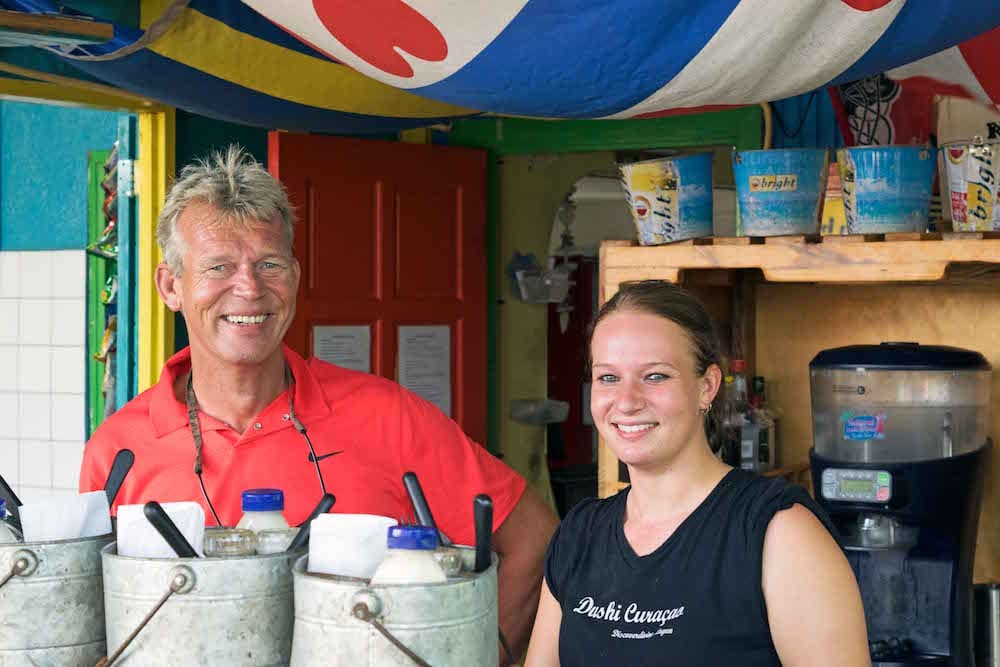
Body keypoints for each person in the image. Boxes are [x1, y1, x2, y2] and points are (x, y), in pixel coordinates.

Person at [80, 145, 557, 661]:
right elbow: (88, 625)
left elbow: (532, 540)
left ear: (296, 277)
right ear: (170, 286)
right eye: (218, 267)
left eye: (269, 264)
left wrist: (474, 654)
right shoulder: (119, 451)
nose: (249, 288)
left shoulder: (387, 417)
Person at [524, 280, 869, 666]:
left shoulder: (777, 533)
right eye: (608, 377)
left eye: (655, 376)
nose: (626, 401)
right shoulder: (578, 536)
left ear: (707, 386)